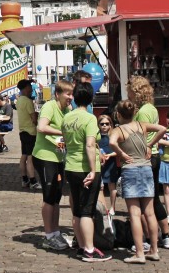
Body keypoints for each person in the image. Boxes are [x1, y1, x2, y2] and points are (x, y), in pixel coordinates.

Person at [107, 100, 166, 264]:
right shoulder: (142, 125)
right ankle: (154, 250)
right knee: (150, 212)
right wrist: (150, 145)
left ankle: (140, 252)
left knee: (134, 214)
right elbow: (162, 128)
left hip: (130, 169)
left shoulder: (118, 129)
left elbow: (111, 142)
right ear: (134, 113)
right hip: (146, 168)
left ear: (118, 114)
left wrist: (121, 154)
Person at [61, 83, 109, 262]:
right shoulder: (89, 118)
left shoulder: (67, 118)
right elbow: (89, 144)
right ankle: (89, 249)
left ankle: (81, 246)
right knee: (87, 210)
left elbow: (66, 141)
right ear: (90, 99)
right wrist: (93, 169)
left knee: (77, 211)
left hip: (71, 166)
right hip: (85, 168)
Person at [130, 75, 169, 249]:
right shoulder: (150, 108)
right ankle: (165, 235)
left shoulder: (144, 111)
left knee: (144, 201)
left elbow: (141, 134)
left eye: (130, 91)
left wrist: (148, 144)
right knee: (153, 198)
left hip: (145, 157)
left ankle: (148, 239)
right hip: (153, 156)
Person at [33, 79, 73, 251]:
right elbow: (41, 127)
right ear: (58, 94)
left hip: (58, 157)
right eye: (67, 93)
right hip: (44, 156)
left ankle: (56, 232)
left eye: (72, 93)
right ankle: (49, 235)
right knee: (49, 196)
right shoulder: (50, 106)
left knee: (57, 195)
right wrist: (62, 132)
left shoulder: (67, 110)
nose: (70, 97)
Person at [15, 79, 39, 189]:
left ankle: (24, 179)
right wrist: (37, 116)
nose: (31, 88)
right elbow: (34, 119)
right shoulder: (28, 101)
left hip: (22, 131)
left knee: (24, 156)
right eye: (30, 85)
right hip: (30, 132)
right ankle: (33, 181)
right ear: (25, 88)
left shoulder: (19, 100)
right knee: (30, 157)